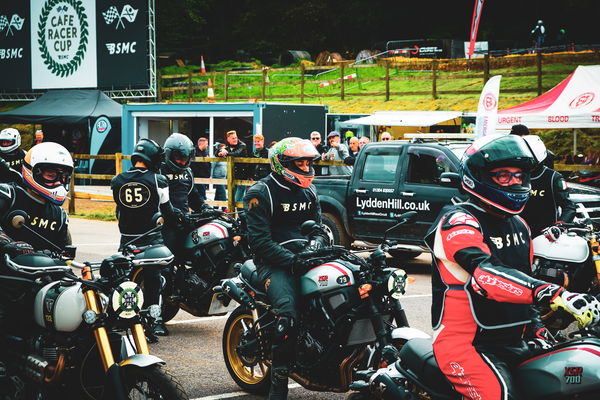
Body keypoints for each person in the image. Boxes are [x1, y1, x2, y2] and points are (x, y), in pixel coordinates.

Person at [426, 134, 600, 400]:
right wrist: (555, 293)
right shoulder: (458, 221)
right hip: (466, 345)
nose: (515, 182)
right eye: (504, 175)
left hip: (513, 341)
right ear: (480, 176)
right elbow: (485, 273)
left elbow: (521, 284)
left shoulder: (519, 225)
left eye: (519, 176)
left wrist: (537, 329)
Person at [244, 137, 328, 400]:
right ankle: (278, 384)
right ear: (282, 164)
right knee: (288, 314)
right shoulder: (261, 192)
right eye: (299, 162)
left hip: (306, 257)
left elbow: (320, 228)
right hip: (273, 263)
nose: (305, 167)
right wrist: (292, 261)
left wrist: (315, 246)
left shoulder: (309, 191)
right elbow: (259, 242)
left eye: (307, 162)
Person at [0, 142, 73, 397]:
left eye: (63, 176)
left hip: (42, 285)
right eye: (51, 174)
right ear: (33, 170)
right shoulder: (8, 194)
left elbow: (65, 252)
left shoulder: (59, 214)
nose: (58, 181)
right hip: (6, 280)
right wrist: (7, 241)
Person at [111, 138, 186, 337]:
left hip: (127, 238)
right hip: (151, 238)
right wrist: (181, 217)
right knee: (155, 278)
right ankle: (155, 321)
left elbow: (119, 210)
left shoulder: (117, 180)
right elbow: (167, 210)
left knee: (125, 279)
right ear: (153, 158)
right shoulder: (157, 179)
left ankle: (125, 318)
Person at [520, 135, 576, 236]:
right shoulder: (515, 175)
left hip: (545, 236)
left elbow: (569, 207)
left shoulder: (553, 177)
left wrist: (559, 226)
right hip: (519, 232)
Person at [217, 130, 248, 205]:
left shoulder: (242, 145)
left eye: (236, 137)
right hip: (232, 176)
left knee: (237, 200)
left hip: (242, 176)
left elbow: (236, 153)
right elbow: (216, 152)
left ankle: (241, 216)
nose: (235, 139)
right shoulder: (227, 146)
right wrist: (220, 153)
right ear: (228, 139)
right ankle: (239, 216)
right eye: (233, 138)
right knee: (233, 198)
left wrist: (225, 153)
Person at [212, 142, 228, 206]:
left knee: (218, 192)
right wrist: (210, 176)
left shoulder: (225, 157)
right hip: (217, 176)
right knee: (222, 192)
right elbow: (212, 166)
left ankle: (215, 206)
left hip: (223, 177)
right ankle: (224, 207)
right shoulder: (216, 157)